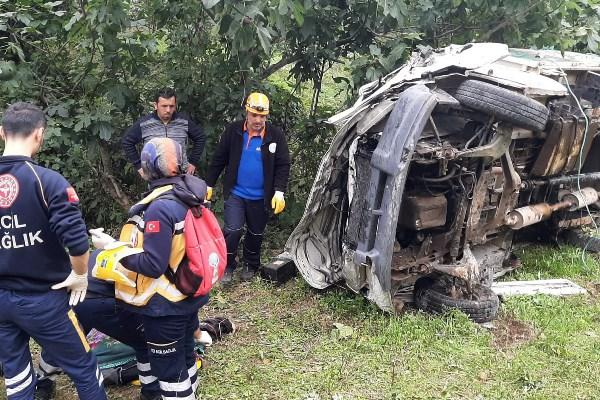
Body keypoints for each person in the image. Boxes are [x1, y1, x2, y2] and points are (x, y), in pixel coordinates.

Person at [0, 102, 106, 400]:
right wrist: (80, 275)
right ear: (40, 135)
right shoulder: (47, 181)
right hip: (44, 300)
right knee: (85, 369)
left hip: (2, 301)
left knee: (17, 377)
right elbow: (76, 240)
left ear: (1, 134)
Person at [96, 137, 209, 400]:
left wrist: (115, 250)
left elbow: (153, 264)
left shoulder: (160, 207)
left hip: (166, 304)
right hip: (188, 293)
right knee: (186, 352)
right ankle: (191, 390)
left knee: (170, 373)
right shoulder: (190, 193)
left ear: (149, 167)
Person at [34, 252, 160, 400]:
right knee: (145, 342)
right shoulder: (149, 261)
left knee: (63, 343)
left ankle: (42, 384)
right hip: (104, 302)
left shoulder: (104, 252)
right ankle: (152, 392)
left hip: (74, 298)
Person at [205, 92, 290, 284]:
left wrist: (279, 191)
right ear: (247, 113)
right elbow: (219, 159)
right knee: (233, 229)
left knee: (255, 232)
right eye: (254, 115)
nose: (258, 120)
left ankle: (251, 264)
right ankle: (227, 264)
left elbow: (283, 164)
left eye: (262, 116)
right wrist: (208, 183)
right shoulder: (233, 131)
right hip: (237, 192)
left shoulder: (275, 135)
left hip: (261, 196)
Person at [122, 87, 206, 178]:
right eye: (164, 106)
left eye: (171, 106)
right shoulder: (144, 124)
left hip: (182, 176)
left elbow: (200, 137)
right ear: (156, 105)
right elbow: (127, 141)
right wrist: (139, 167)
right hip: (155, 178)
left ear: (175, 105)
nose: (168, 110)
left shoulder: (183, 121)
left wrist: (193, 162)